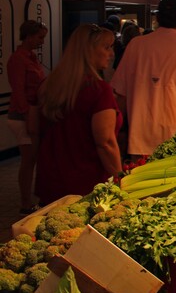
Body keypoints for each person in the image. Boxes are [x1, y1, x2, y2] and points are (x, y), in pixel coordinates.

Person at [112, 0, 176, 158]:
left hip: (140, 139)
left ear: (158, 17)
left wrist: (117, 131)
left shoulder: (136, 46)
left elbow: (121, 96)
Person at [35, 24, 122, 205]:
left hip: (51, 181)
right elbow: (105, 143)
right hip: (87, 185)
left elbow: (34, 130)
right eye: (106, 47)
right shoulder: (98, 90)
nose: (111, 53)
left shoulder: (49, 85)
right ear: (89, 50)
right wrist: (119, 180)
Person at [7, 20, 48, 213]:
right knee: (28, 160)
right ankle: (25, 203)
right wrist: (28, 116)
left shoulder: (31, 58)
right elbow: (19, 91)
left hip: (30, 114)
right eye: (40, 37)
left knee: (31, 159)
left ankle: (29, 200)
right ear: (29, 36)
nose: (42, 41)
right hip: (22, 116)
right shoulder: (18, 59)